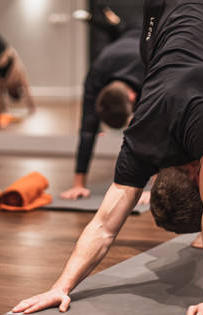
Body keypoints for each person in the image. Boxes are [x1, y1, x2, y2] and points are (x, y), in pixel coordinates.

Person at [0, 0, 203, 315]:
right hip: (162, 33)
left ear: (193, 177)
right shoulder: (141, 142)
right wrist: (58, 287)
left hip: (179, 10)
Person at [60, 28, 144, 200]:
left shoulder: (151, 72)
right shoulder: (95, 77)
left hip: (147, 35)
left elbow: (155, 132)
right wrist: (78, 185)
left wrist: (153, 185)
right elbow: (87, 130)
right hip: (121, 42)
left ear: (132, 97)